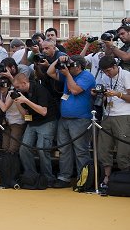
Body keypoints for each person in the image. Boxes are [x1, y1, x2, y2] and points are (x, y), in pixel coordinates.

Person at [47, 55, 95, 188]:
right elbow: (50, 72)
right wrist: (58, 60)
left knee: (80, 150)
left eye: (71, 65)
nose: (67, 67)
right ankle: (64, 177)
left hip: (81, 119)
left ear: (79, 66)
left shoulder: (87, 76)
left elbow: (74, 90)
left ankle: (83, 179)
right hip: (65, 119)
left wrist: (67, 74)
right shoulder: (69, 74)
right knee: (64, 149)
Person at [13, 74, 57, 187]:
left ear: (24, 83)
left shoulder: (39, 89)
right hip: (32, 122)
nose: (16, 89)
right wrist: (17, 102)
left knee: (42, 149)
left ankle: (48, 179)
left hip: (46, 121)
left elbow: (43, 111)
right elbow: (24, 115)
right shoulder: (23, 94)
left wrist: (26, 101)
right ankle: (32, 176)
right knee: (24, 148)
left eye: (17, 87)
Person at [96, 56, 130, 187]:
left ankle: (125, 179)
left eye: (109, 70)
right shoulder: (105, 77)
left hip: (124, 114)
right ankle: (106, 178)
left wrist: (117, 94)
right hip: (108, 114)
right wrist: (99, 93)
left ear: (115, 66)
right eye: (104, 71)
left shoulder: (126, 75)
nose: (107, 74)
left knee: (123, 149)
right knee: (104, 148)